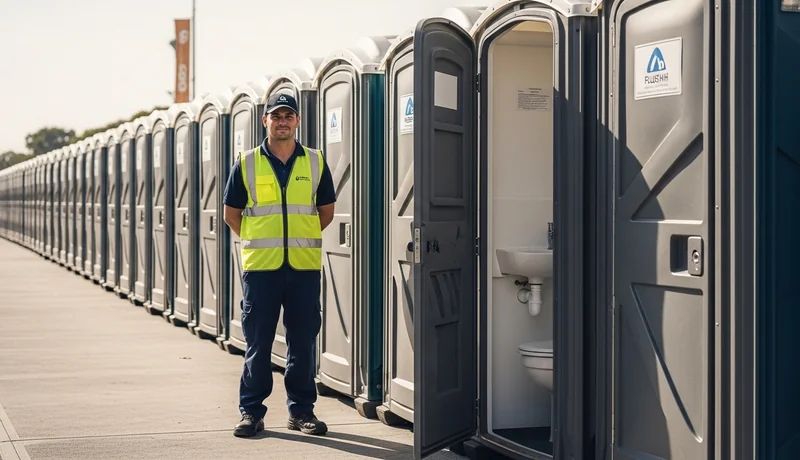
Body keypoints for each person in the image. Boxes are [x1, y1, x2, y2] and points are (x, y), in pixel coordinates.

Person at [222, 93, 336, 438]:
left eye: (289, 116)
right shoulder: (246, 162)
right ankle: (251, 413)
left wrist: (297, 239)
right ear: (265, 121)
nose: (283, 121)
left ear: (298, 121)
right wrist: (262, 240)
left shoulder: (315, 161)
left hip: (302, 268)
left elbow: (326, 211)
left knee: (302, 344)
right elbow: (232, 214)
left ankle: (302, 413)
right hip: (261, 270)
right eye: (276, 116)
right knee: (258, 343)